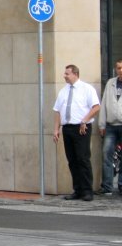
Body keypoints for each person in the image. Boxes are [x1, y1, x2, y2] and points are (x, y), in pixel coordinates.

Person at [52, 64, 100, 201]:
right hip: (67, 128)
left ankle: (87, 190)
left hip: (81, 128)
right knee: (72, 160)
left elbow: (96, 107)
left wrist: (85, 120)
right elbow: (57, 111)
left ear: (75, 74)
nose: (64, 76)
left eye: (67, 73)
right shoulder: (63, 91)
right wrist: (56, 129)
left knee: (83, 159)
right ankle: (77, 189)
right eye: (65, 73)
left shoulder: (86, 89)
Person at [97, 60, 122, 196]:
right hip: (111, 125)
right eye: (118, 68)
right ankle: (107, 186)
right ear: (115, 69)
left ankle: (121, 185)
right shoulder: (110, 83)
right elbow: (104, 103)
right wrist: (102, 124)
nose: (120, 70)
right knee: (107, 155)